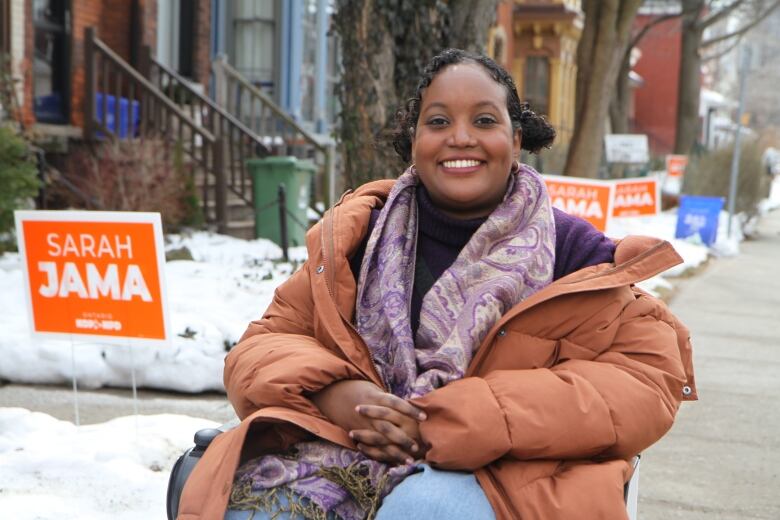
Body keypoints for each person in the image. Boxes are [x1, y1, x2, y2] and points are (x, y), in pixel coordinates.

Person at [177, 49, 696, 520]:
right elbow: (259, 347)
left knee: (424, 510)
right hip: (348, 452)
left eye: (484, 120)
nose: (460, 137)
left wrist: (454, 420)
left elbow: (646, 381)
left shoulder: (577, 255)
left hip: (509, 479)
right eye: (439, 121)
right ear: (416, 141)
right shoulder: (356, 239)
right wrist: (336, 393)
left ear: (516, 140)